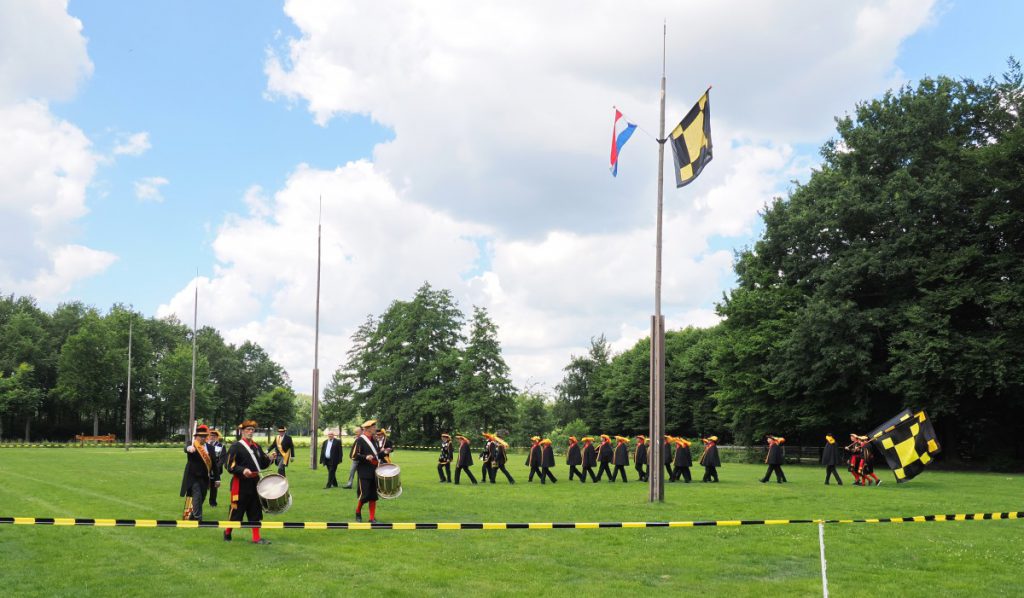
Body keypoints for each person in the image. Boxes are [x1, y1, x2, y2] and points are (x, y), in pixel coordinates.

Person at [224, 419, 272, 544]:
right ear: (242, 431)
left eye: (252, 430)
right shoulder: (236, 446)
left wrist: (270, 459)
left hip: (255, 483)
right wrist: (243, 470)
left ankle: (256, 538)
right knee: (236, 511)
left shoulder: (256, 446)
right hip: (240, 484)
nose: (250, 432)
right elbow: (229, 465)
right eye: (248, 430)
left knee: (255, 510)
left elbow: (262, 464)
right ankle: (227, 532)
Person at [181, 424, 213, 521]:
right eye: (200, 436)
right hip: (193, 476)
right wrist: (188, 449)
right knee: (197, 495)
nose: (203, 438)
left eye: (204, 436)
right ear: (196, 436)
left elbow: (214, 464)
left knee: (202, 497)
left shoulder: (210, 447)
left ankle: (191, 516)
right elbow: (186, 448)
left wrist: (216, 479)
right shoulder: (192, 444)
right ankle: (198, 518)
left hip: (204, 477)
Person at [352, 419, 383, 523]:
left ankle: (371, 518)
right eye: (373, 427)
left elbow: (377, 455)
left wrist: (385, 452)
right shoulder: (360, 440)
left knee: (373, 496)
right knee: (364, 495)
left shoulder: (374, 440)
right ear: (368, 428)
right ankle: (357, 512)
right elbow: (353, 455)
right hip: (364, 471)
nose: (375, 428)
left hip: (375, 471)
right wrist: (365, 457)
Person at [207, 428, 225, 507]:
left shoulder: (221, 446)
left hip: (216, 470)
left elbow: (222, 458)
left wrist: (216, 468)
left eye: (214, 436)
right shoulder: (205, 445)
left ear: (217, 437)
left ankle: (213, 503)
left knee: (214, 487)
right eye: (211, 435)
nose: (212, 437)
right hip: (205, 469)